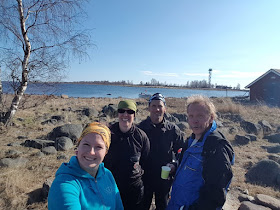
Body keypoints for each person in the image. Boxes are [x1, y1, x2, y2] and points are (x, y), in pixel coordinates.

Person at [166, 95, 235, 210]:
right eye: (191, 116)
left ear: (211, 118)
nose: (195, 120)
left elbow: (216, 193)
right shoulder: (191, 140)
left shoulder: (215, 147)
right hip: (177, 204)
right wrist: (175, 166)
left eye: (200, 116)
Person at [48, 122, 124, 210]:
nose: (91, 152)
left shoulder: (107, 174)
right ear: (78, 147)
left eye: (98, 147)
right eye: (86, 144)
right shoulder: (65, 184)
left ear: (105, 152)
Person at [138, 93, 186, 210]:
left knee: (163, 206)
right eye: (153, 106)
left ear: (165, 108)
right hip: (145, 177)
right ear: (149, 108)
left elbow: (182, 152)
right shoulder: (140, 128)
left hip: (164, 177)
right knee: (142, 206)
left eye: (160, 106)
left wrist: (174, 164)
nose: (157, 109)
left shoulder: (173, 130)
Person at [104, 100, 150, 210]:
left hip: (134, 188)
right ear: (117, 114)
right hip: (110, 186)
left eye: (130, 112)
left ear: (134, 115)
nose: (125, 115)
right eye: (121, 111)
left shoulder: (141, 136)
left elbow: (145, 161)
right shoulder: (108, 134)